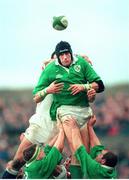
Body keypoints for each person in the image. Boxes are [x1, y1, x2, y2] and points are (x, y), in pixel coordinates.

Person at [33, 40, 105, 170]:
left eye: (67, 54)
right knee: (77, 150)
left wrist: (84, 86)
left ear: (71, 54)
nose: (65, 57)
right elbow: (36, 97)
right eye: (61, 55)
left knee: (85, 154)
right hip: (65, 111)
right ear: (58, 57)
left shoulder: (81, 63)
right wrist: (47, 90)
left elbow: (100, 85)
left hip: (84, 110)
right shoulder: (50, 69)